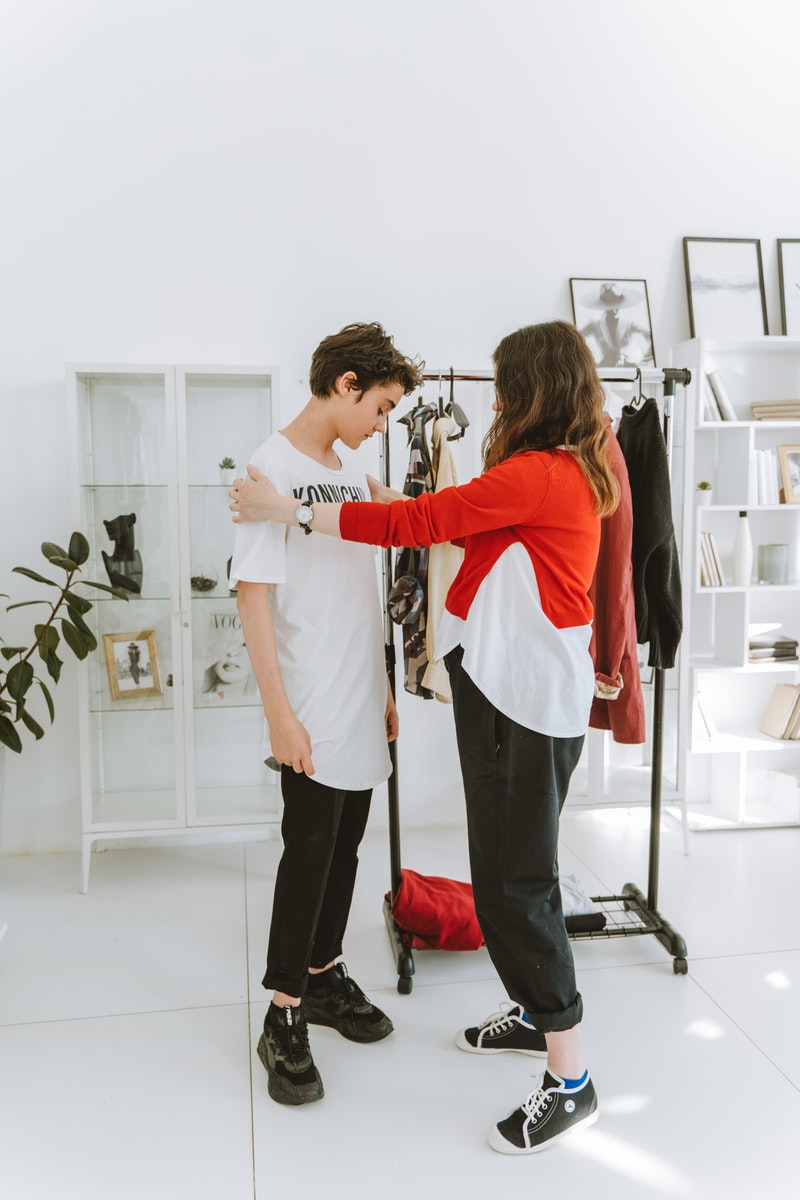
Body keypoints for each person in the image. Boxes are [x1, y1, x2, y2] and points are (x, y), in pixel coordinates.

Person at [231, 320, 619, 1153]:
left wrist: (296, 509)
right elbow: (273, 585)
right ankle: (522, 1011)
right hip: (497, 706)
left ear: (534, 391)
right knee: (490, 874)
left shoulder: (540, 476)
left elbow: (419, 523)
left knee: (518, 887)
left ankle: (571, 1077)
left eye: (508, 386)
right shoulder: (550, 472)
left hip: (521, 712)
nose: (499, 402)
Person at [228, 322, 422, 1107]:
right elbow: (254, 600)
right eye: (379, 407)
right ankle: (282, 1015)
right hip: (308, 699)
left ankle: (324, 974)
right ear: (346, 384)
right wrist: (279, 713)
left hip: (356, 692)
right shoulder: (269, 470)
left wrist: (381, 683)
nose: (382, 424)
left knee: (344, 849)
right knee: (307, 852)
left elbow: (359, 588)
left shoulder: (350, 473)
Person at [577, 281, 655, 368]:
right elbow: (574, 340)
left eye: (615, 304)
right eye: (609, 306)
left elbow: (652, 338)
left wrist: (641, 363)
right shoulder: (594, 325)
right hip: (605, 371)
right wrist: (591, 366)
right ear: (603, 306)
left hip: (627, 371)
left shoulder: (629, 324)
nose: (613, 309)